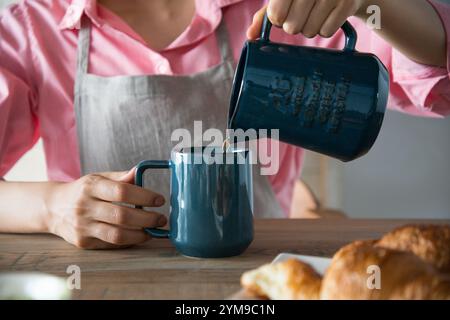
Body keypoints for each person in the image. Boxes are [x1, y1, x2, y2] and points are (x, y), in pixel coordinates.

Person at [0, 0, 449, 249]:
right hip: (103, 278)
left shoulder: (278, 10)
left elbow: (436, 79)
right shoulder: (30, 26)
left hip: (261, 277)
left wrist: (374, 1)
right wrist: (50, 205)